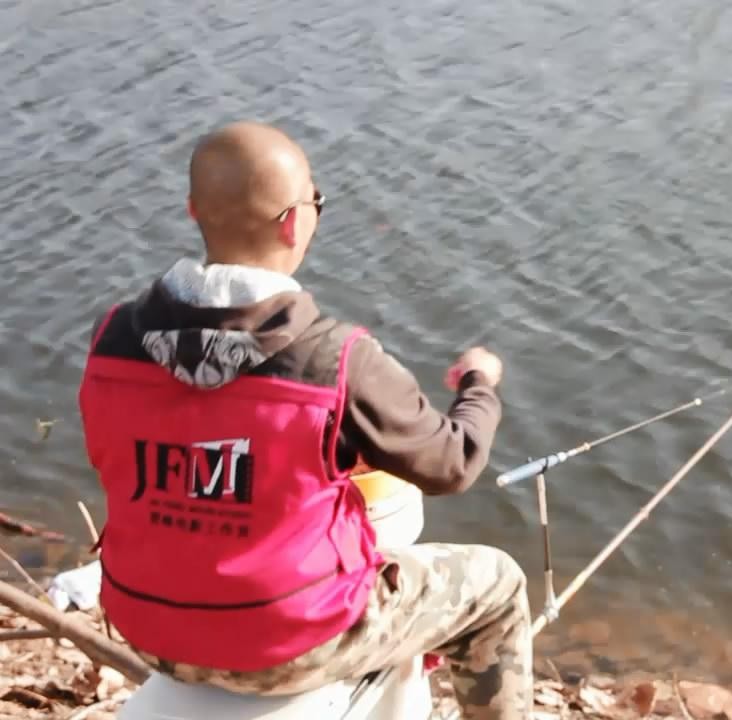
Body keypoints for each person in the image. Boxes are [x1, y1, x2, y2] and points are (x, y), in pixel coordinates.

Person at [76, 120, 532, 720]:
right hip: (289, 644)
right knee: (497, 584)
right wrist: (480, 384)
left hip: (147, 625)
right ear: (295, 220)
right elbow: (453, 463)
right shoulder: (335, 359)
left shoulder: (111, 342)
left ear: (193, 210)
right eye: (316, 201)